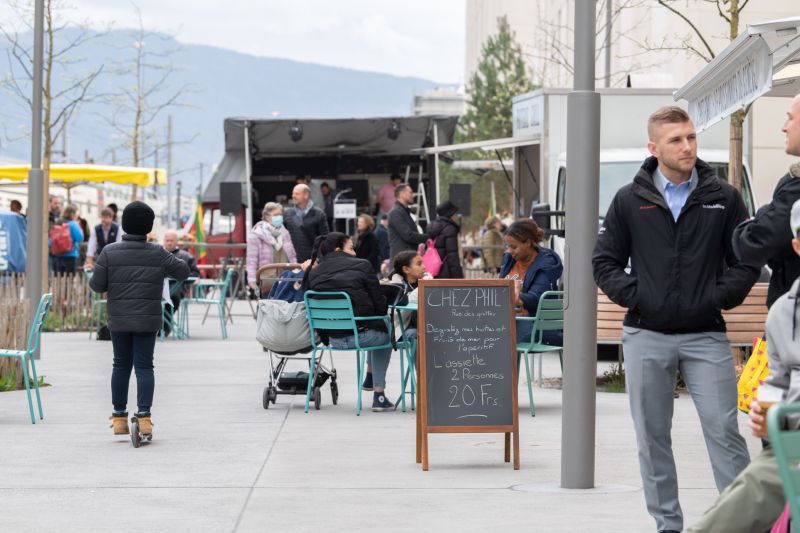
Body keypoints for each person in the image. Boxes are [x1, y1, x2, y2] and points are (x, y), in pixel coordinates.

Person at [592, 106, 758, 533]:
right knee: (652, 438)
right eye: (676, 140)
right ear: (654, 148)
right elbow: (605, 261)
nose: (687, 146)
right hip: (646, 334)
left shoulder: (723, 196)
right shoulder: (630, 200)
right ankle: (668, 525)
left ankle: (742, 523)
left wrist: (718, 297)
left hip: (706, 335)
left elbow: (746, 260)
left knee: (724, 431)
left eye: (691, 137)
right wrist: (640, 297)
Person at [686, 198, 800, 533]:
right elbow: (780, 381)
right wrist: (767, 408)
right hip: (793, 448)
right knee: (743, 497)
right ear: (796, 245)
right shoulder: (784, 312)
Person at [89, 201, 190, 440]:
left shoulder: (109, 252)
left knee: (120, 365)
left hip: (119, 319)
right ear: (148, 227)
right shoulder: (158, 252)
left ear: (124, 225)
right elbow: (184, 271)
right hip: (147, 320)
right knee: (145, 366)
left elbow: (96, 286)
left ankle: (119, 418)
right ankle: (144, 419)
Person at [305, 232, 394, 411]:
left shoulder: (313, 273)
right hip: (362, 337)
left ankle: (369, 377)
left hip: (332, 340)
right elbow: (381, 307)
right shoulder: (362, 265)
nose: (354, 253)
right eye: (351, 248)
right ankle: (379, 396)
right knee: (385, 327)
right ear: (339, 249)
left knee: (376, 325)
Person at [734, 93, 800, 308]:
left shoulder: (795, 189)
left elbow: (753, 243)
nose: (784, 127)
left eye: (790, 118)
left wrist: (761, 214)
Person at [498, 219, 563, 345]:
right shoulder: (510, 259)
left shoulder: (546, 264)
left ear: (528, 243)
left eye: (514, 247)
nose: (509, 251)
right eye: (507, 246)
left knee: (485, 335)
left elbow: (535, 298)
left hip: (534, 326)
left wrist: (514, 294)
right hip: (507, 321)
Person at [247, 202, 297, 296]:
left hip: (286, 278)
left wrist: (296, 271)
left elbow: (292, 255)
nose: (279, 217)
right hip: (267, 280)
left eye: (280, 214)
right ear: (267, 216)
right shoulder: (256, 235)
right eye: (276, 215)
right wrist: (252, 281)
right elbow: (251, 260)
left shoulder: (284, 232)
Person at [162, 229, 200, 336]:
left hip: (177, 288)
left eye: (172, 240)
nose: (169, 242)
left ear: (177, 241)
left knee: (172, 297)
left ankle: (165, 325)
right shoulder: (158, 254)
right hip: (159, 287)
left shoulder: (186, 256)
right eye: (167, 240)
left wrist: (181, 277)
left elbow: (195, 273)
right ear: (164, 241)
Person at [283, 184, 329, 262]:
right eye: (293, 193)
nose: (293, 196)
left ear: (306, 195)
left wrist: (320, 259)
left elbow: (325, 239)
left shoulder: (319, 214)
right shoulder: (287, 214)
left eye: (297, 194)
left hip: (313, 261)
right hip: (291, 261)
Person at [388, 250, 424, 344]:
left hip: (424, 326)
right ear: (406, 269)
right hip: (402, 330)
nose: (424, 267)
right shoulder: (395, 287)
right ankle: (418, 359)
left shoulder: (422, 282)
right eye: (419, 264)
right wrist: (420, 289)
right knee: (417, 334)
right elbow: (397, 316)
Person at [387, 183, 426, 260]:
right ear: (402, 194)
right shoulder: (396, 212)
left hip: (406, 259)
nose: (413, 195)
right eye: (410, 192)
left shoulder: (403, 212)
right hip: (402, 262)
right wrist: (429, 237)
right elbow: (408, 235)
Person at [426, 200, 464, 279]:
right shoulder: (450, 229)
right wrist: (458, 277)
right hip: (447, 271)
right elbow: (452, 255)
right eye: (455, 213)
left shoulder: (432, 227)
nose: (456, 216)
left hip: (434, 269)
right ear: (450, 214)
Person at [51, 205, 84, 275]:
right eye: (76, 213)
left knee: (59, 278)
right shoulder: (73, 224)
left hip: (58, 255)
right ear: (72, 214)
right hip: (71, 255)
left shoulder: (58, 222)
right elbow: (80, 238)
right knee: (69, 279)